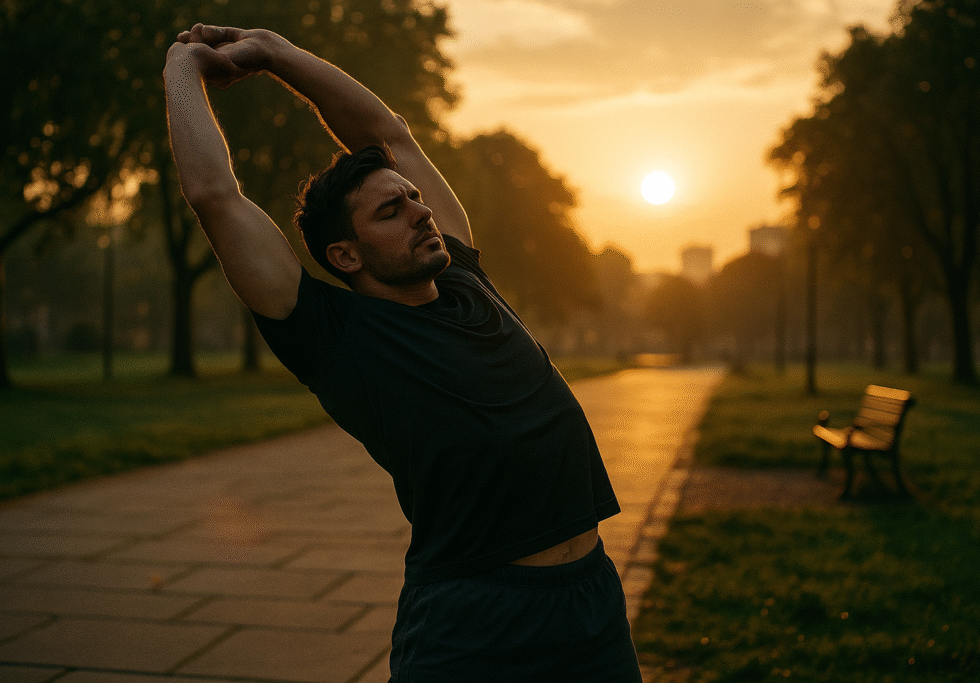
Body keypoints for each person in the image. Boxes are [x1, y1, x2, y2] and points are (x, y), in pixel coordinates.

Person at [164, 24, 642, 682]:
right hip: (474, 622)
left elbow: (389, 132)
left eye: (413, 197)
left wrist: (275, 53)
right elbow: (215, 194)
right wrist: (183, 68)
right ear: (345, 255)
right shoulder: (332, 334)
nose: (419, 211)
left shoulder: (464, 278)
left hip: (590, 601)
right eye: (391, 210)